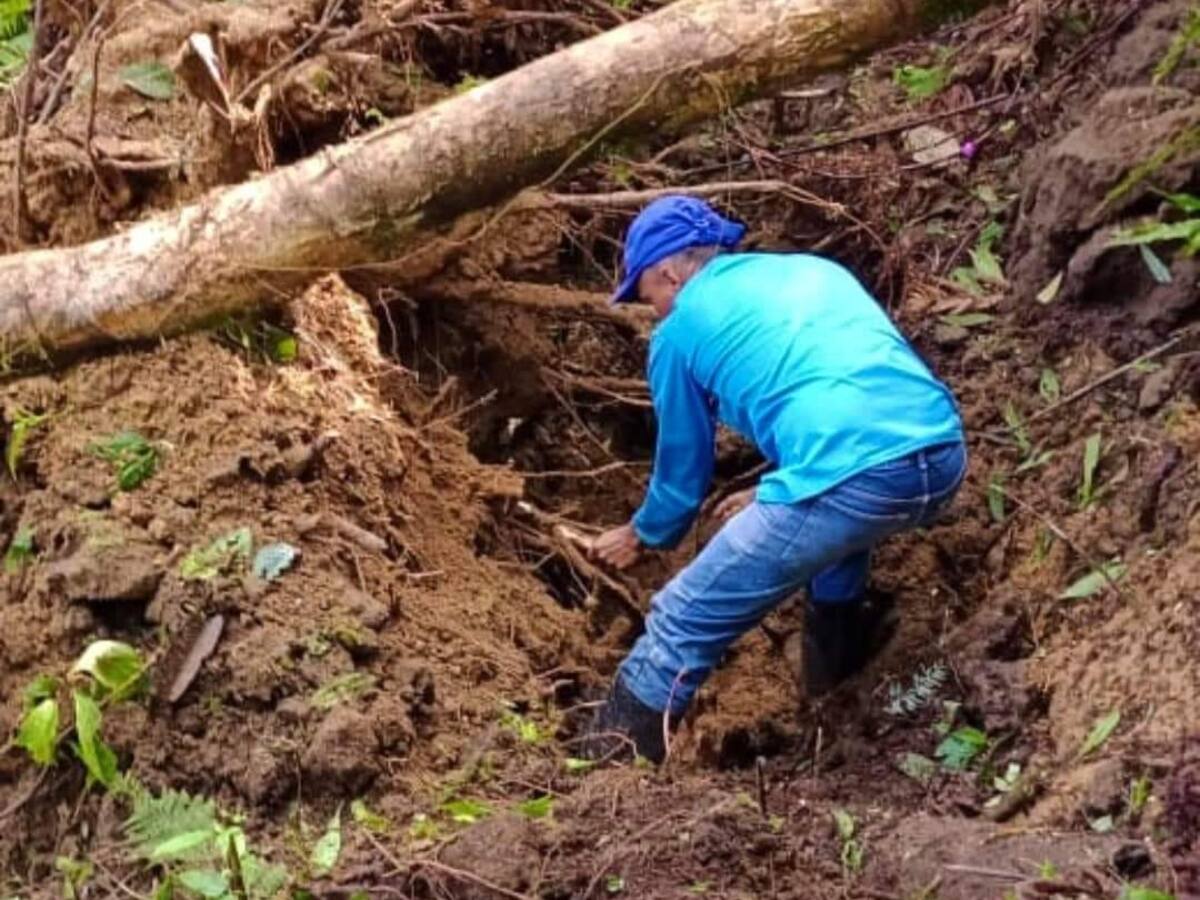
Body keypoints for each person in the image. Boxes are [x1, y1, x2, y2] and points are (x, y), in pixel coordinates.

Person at [583, 196, 966, 763]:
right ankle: (830, 703)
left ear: (669, 272)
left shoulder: (679, 331)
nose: (655, 313)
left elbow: (684, 468)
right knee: (838, 545)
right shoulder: (812, 270)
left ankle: (595, 778)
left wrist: (645, 535)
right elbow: (837, 386)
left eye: (650, 298)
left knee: (680, 620)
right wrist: (776, 488)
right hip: (940, 453)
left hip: (854, 473)